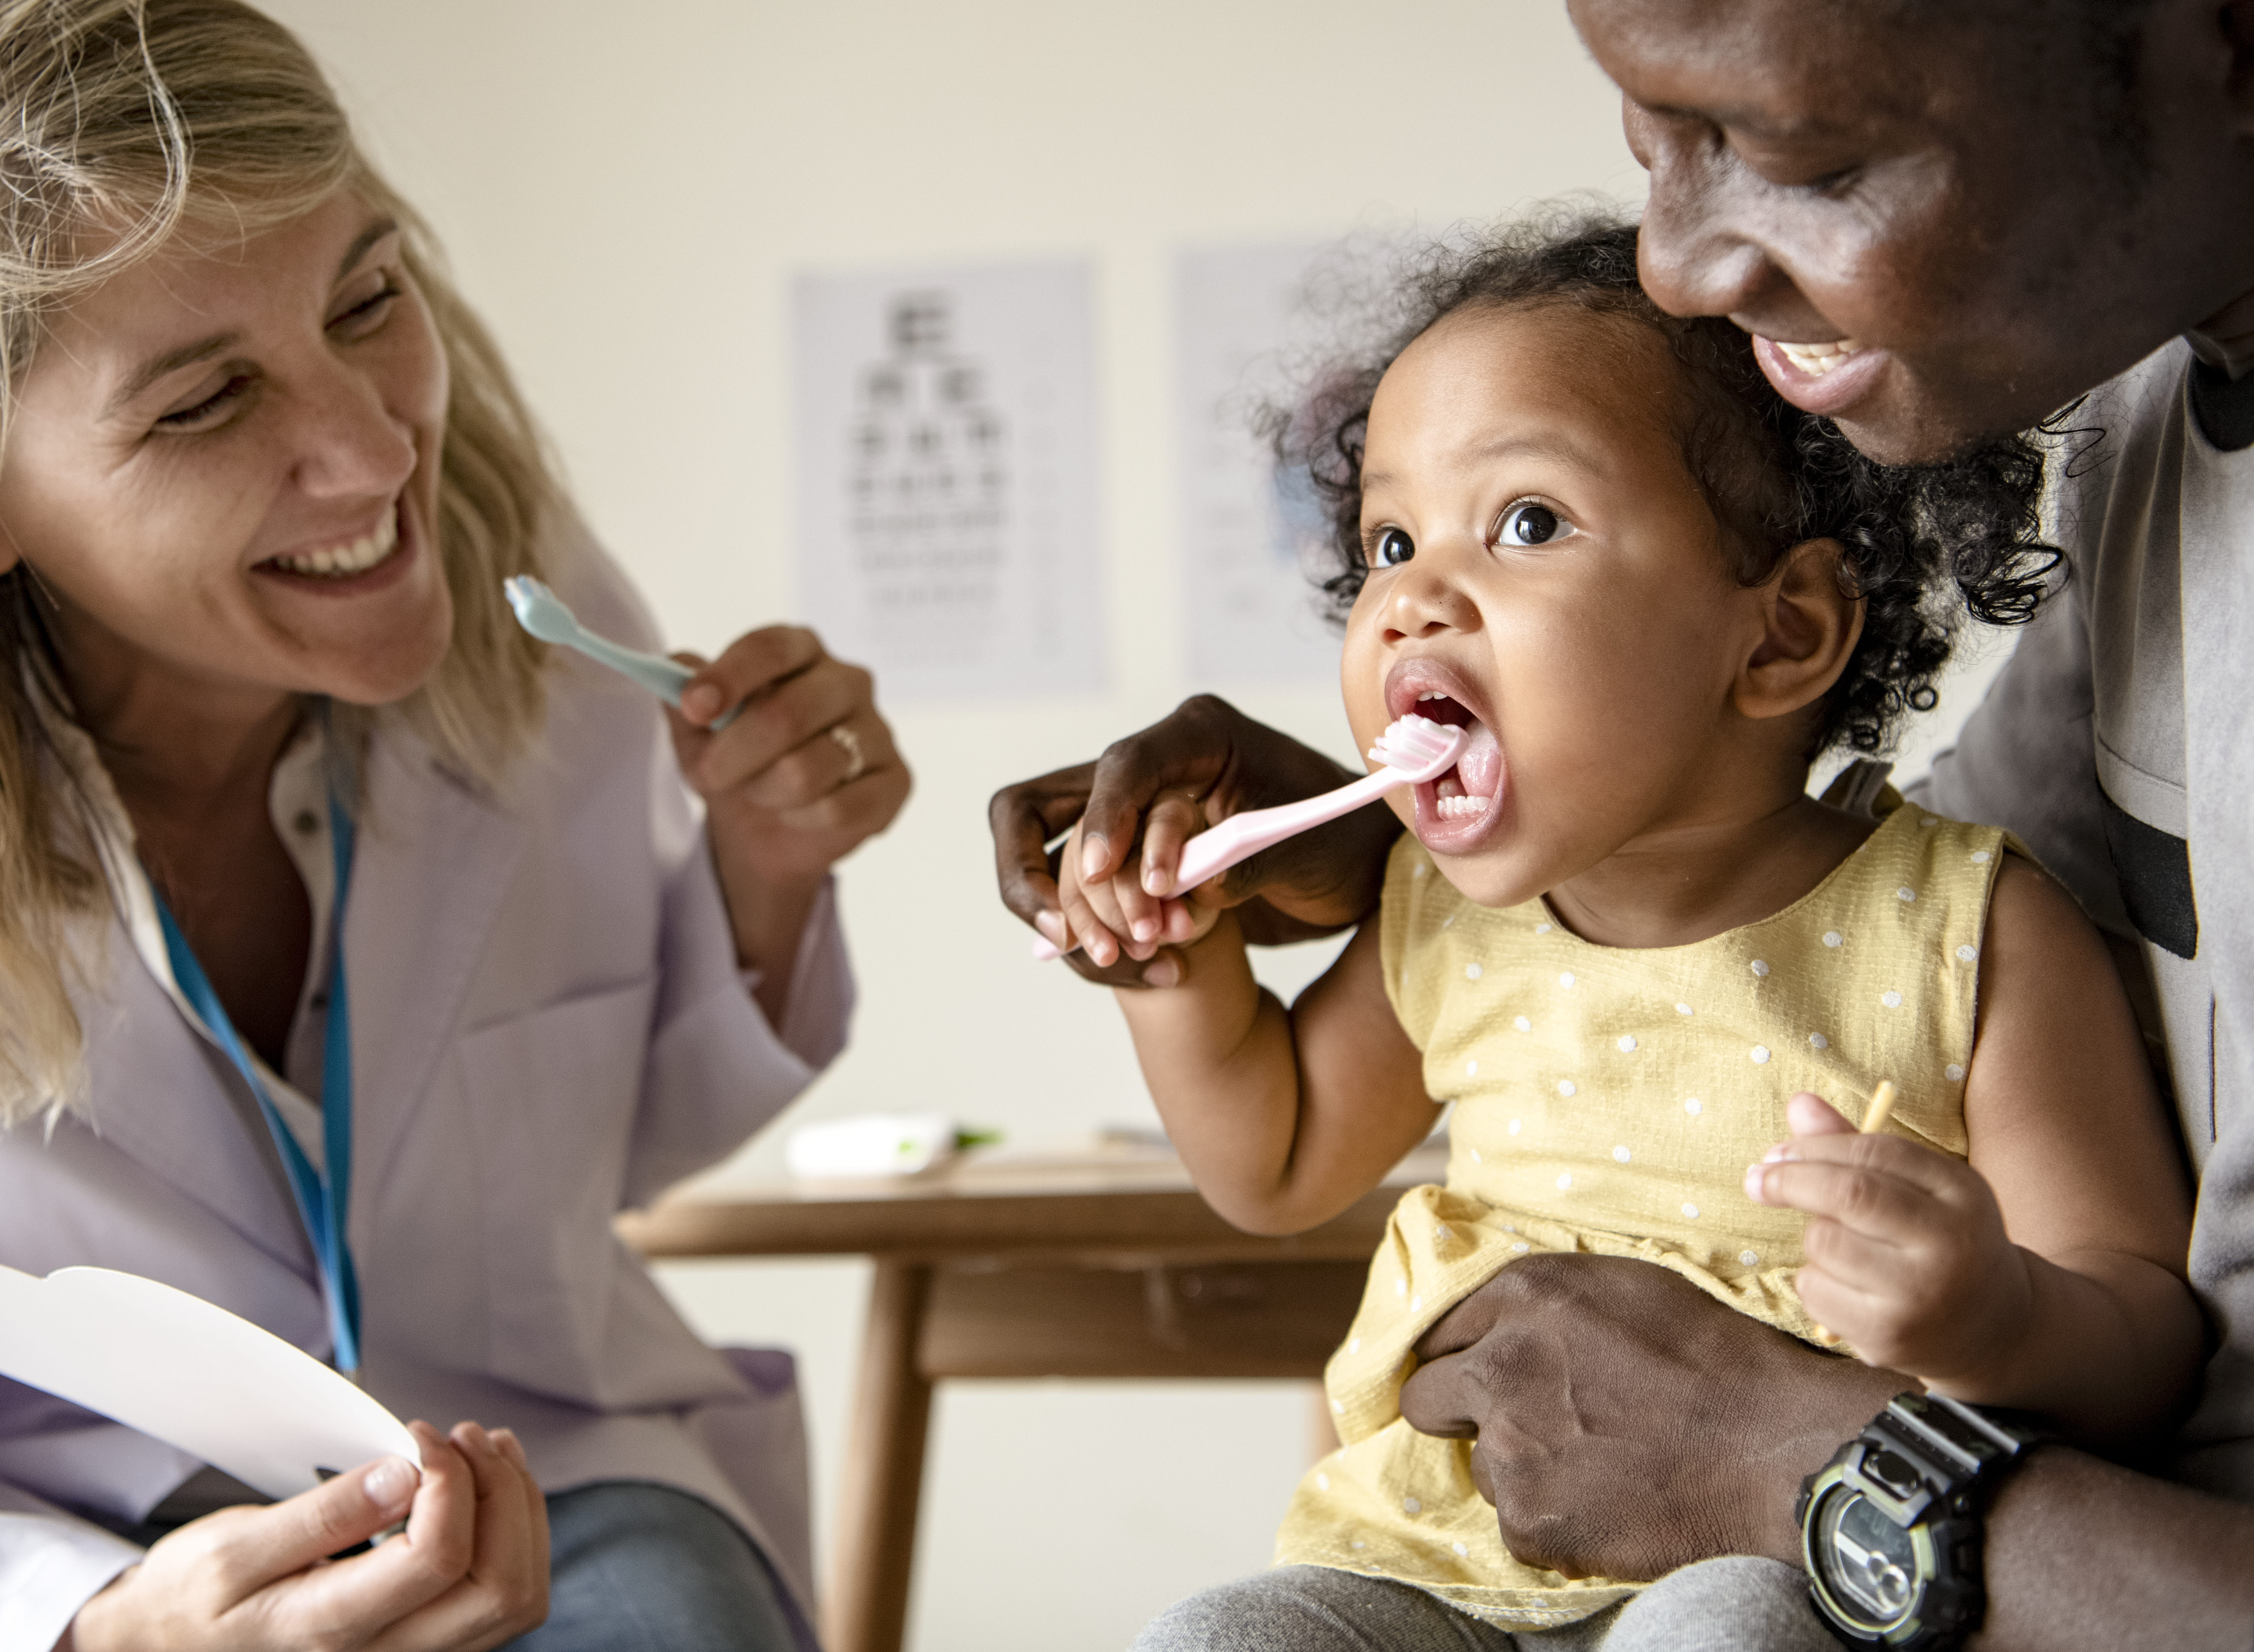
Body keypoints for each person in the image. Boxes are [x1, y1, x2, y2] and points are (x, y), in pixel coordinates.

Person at [992, 2, 2254, 1645]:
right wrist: (1179, 958)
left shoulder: (1963, 930)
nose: (1416, 599)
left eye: (1525, 522)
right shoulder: (1457, 924)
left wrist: (1990, 1315)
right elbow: (1279, 1152)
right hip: (1433, 1563)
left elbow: (2144, 1328)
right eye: (1385, 547)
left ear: (1784, 635)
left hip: (1786, 1574)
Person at [0, 3, 908, 1649]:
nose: (369, 453)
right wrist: (98, 1621)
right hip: (78, 1531)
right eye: (205, 403)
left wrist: (762, 873)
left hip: (551, 1468)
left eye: (368, 299)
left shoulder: (538, 623)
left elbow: (605, 1143)